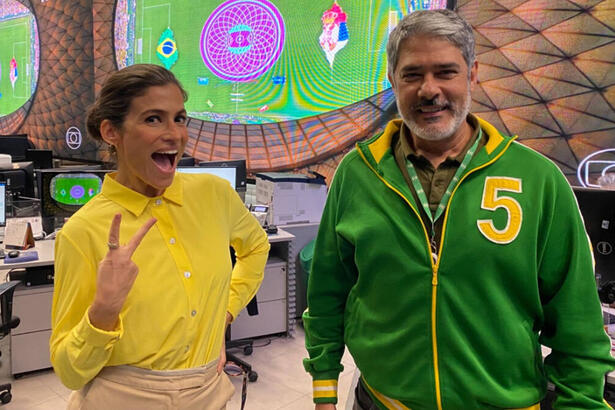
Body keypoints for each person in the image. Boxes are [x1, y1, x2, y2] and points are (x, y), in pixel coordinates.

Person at [303, 9, 615, 410]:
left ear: (472, 75)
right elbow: (329, 290)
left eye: (446, 72)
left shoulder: (538, 179)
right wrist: (324, 389)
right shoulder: (357, 173)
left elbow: (578, 324)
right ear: (392, 80)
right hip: (382, 402)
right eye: (412, 74)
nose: (428, 90)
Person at [50, 64, 270, 409]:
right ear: (111, 132)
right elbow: (69, 372)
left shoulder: (214, 195)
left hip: (207, 392)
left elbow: (257, 247)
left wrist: (224, 313)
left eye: (180, 119)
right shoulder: (83, 233)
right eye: (153, 119)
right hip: (123, 399)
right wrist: (103, 312)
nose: (174, 134)